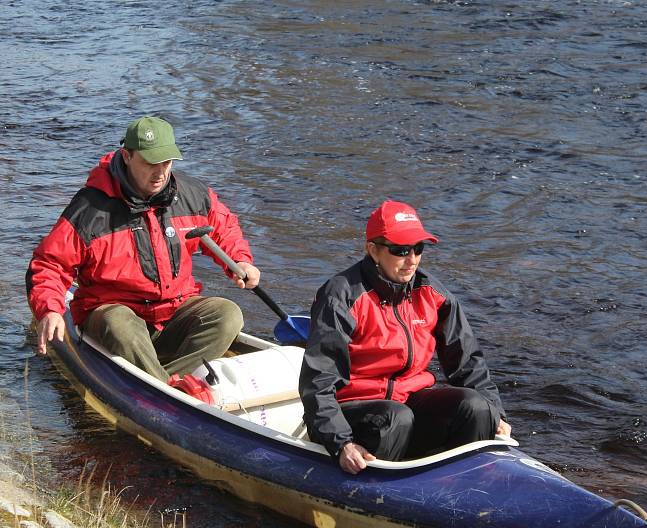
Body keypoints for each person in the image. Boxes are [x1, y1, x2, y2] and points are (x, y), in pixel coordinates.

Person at [26, 115, 261, 383]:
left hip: (173, 311)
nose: (161, 172)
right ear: (126, 156)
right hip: (113, 315)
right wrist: (50, 310)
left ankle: (173, 383)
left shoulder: (192, 195)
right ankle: (171, 392)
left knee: (228, 315)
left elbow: (224, 228)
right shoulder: (90, 208)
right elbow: (49, 264)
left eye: (167, 162)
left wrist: (240, 261)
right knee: (121, 323)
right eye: (151, 163)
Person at [300, 199, 511, 474]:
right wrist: (341, 443)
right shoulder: (340, 296)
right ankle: (375, 493)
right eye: (400, 250)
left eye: (418, 248)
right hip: (352, 412)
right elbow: (318, 381)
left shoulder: (432, 294)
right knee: (395, 418)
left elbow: (468, 362)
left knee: (477, 407)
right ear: (373, 250)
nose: (411, 259)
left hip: (408, 403)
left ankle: (465, 484)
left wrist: (497, 413)